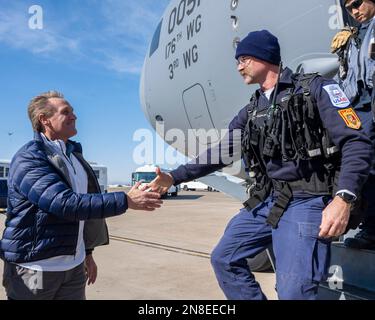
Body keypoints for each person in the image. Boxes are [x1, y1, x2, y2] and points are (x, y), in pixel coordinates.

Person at [147, 30, 373, 300]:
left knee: (293, 294)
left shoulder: (316, 90)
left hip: (308, 200)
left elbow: (356, 143)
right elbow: (220, 153)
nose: (238, 66)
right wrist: (174, 177)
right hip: (269, 199)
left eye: (243, 58)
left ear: (263, 57)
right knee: (224, 259)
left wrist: (343, 199)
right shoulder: (251, 111)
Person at [0, 91, 162, 300]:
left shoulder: (75, 158)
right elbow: (64, 203)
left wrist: (87, 253)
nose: (74, 116)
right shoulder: (29, 158)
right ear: (44, 120)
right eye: (66, 112)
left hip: (73, 267)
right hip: (35, 267)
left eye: (73, 111)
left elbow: (83, 213)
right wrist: (126, 200)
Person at [331, 0, 375, 249]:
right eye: (349, 8)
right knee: (359, 166)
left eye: (357, 4)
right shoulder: (352, 37)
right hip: (355, 108)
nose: (354, 11)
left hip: (370, 104)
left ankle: (371, 228)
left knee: (368, 168)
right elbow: (345, 77)